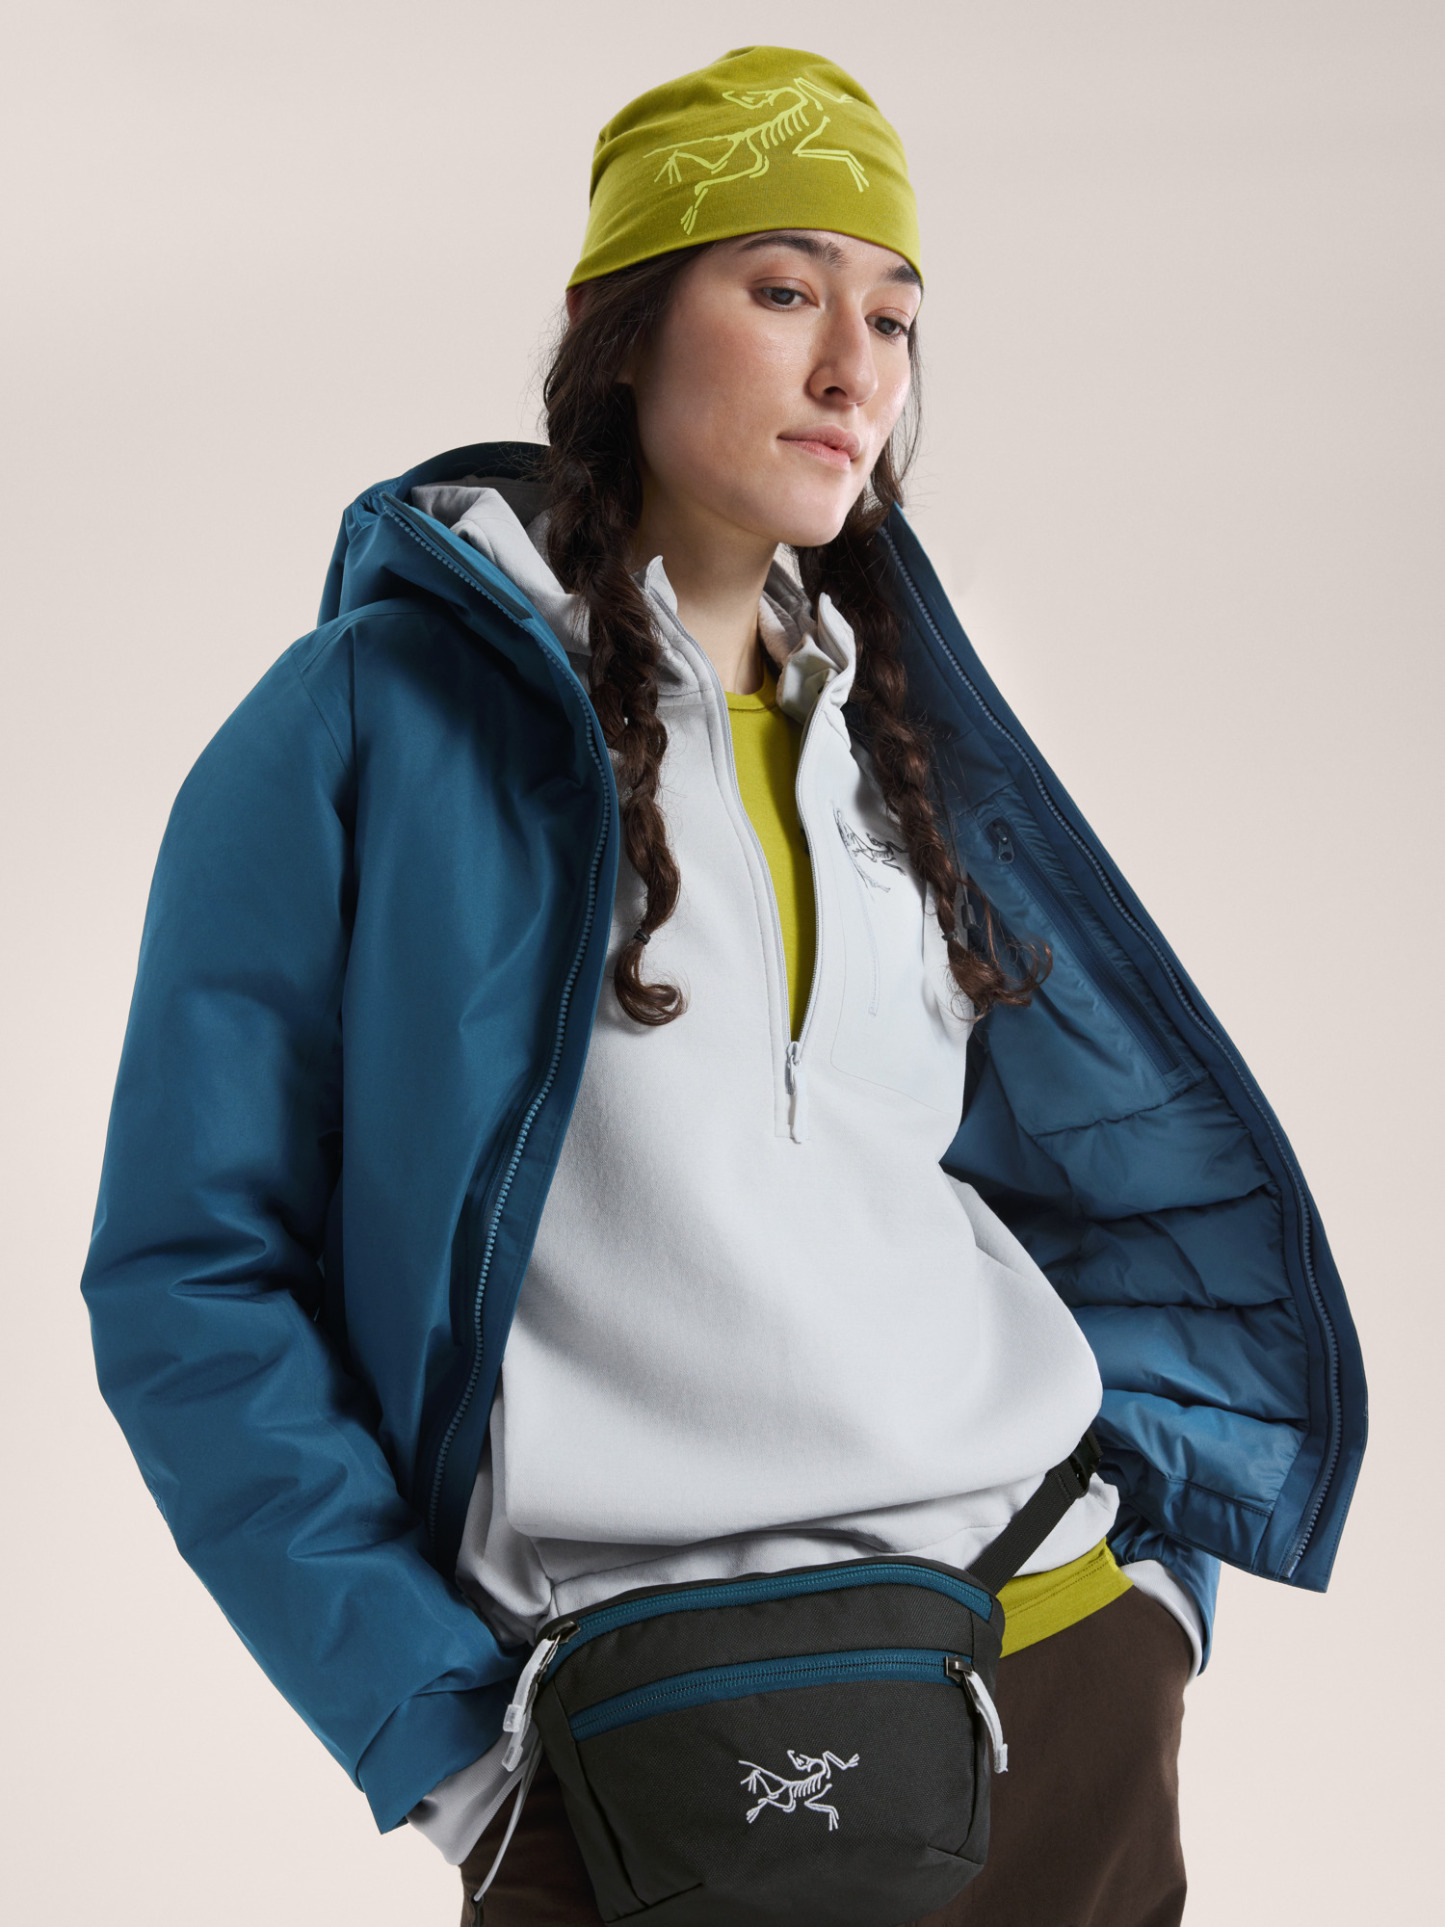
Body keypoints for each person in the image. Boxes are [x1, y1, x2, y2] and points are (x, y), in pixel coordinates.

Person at [81, 44, 1365, 1927]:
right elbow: (191, 1271)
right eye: (782, 292)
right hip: (653, 1751)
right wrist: (434, 1741)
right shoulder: (364, 725)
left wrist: (1157, 1602)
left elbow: (1064, 1171)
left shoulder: (907, 734)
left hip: (1055, 1668)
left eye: (894, 318)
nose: (856, 372)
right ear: (617, 329)